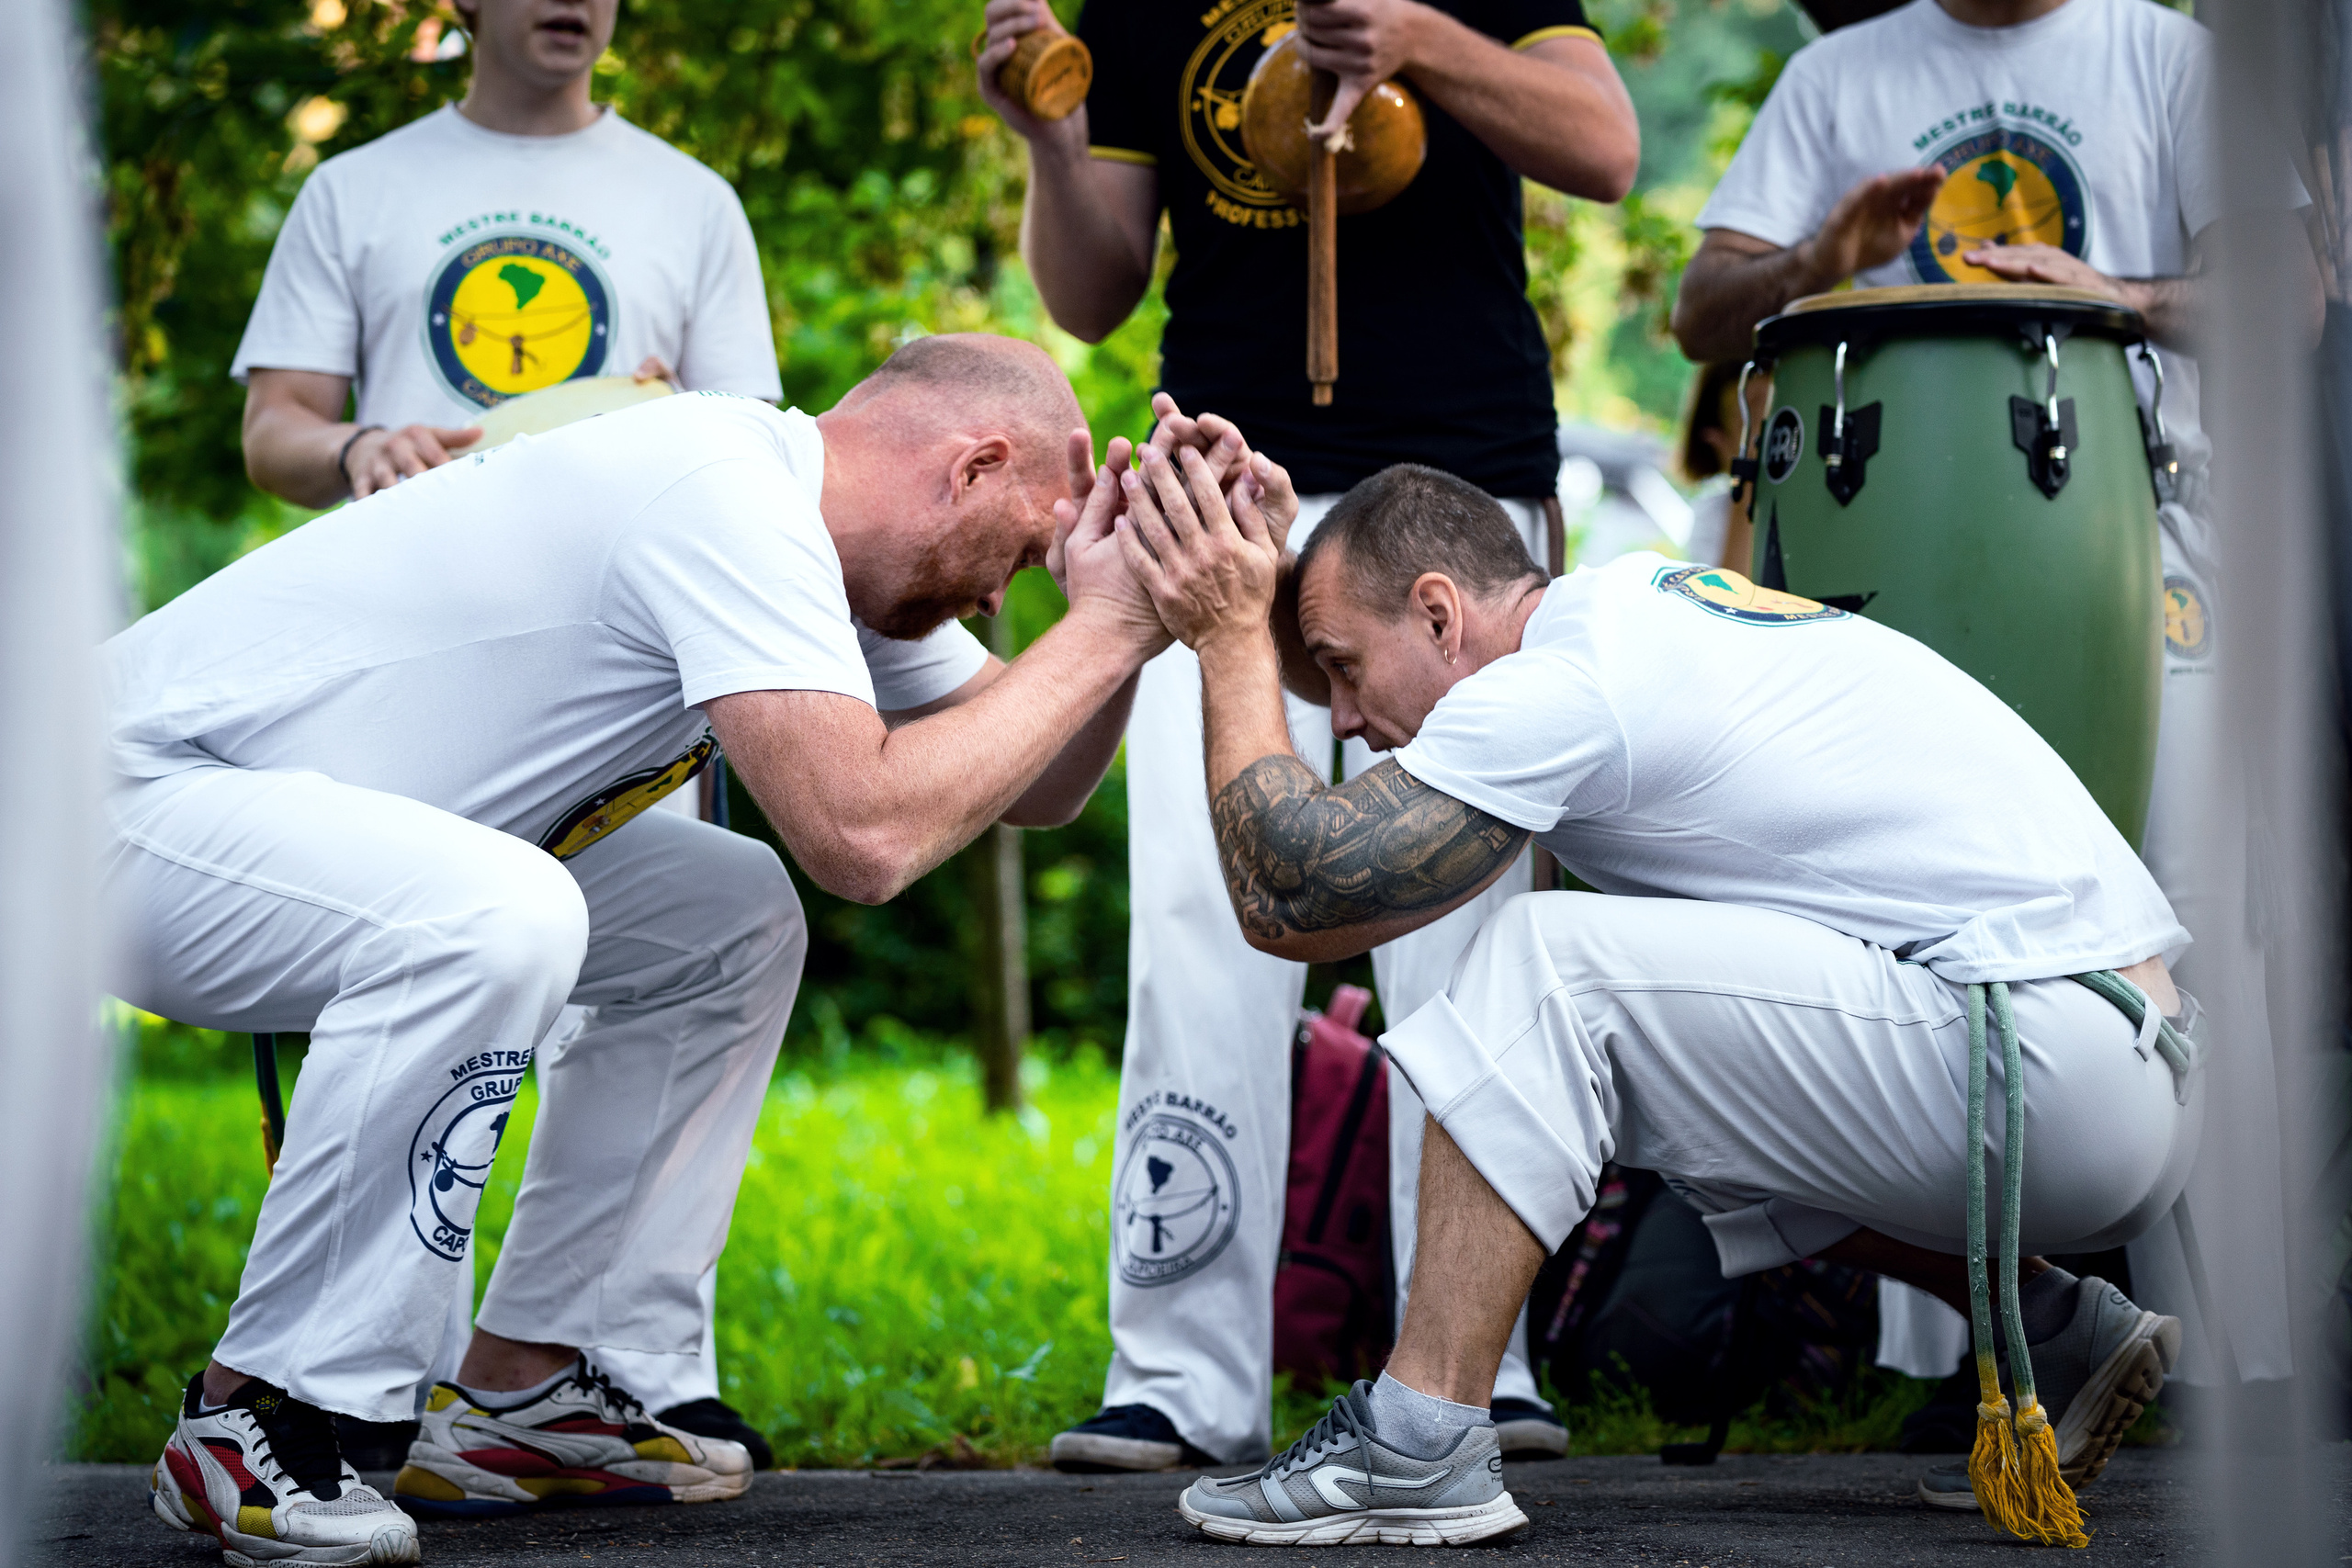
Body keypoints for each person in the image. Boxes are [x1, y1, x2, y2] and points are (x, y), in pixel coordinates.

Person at [121, 335, 1166, 1563]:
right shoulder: (723, 492)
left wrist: (1131, 613)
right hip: (125, 804)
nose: (1003, 597)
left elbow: (1034, 778)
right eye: (1020, 550)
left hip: (289, 825)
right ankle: (257, 1410)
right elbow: (863, 833)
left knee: (724, 914)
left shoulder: (822, 542)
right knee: (499, 907)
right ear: (971, 467)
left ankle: (523, 1384)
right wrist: (1105, 624)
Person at [1098, 440, 2195, 1548]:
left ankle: (1417, 1438)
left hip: (2051, 1065)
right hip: (2098, 1062)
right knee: (1646, 1071)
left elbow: (1291, 895)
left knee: (1545, 964)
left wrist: (1230, 633)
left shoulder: (1557, 686)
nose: (1336, 719)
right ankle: (2054, 1328)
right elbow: (1312, 832)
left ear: (1439, 617)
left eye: (1340, 668)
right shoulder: (1623, 618)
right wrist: (1258, 572)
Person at [1666, 0, 2321, 1498]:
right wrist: (1813, 258)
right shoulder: (1842, 76)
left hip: (2155, 540)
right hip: (1900, 564)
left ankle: (2246, 1362)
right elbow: (1705, 310)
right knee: (1911, 946)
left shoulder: (2166, 53)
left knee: (2197, 927)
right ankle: (1985, 1366)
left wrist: (2118, 295)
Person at [977, 0, 1640, 1470]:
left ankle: (1479, 1362)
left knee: (1465, 939)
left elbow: (1602, 148)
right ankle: (1177, 1370)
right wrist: (1046, 133)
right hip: (1218, 485)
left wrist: (1419, 38)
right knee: (1199, 922)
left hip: (1455, 505)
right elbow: (1093, 293)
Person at [230, 0, 783, 1459]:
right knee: (451, 978)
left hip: (629, 674)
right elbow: (274, 421)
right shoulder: (360, 187)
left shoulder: (690, 199)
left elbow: (759, 448)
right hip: (421, 674)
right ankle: (347, 1385)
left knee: (676, 974)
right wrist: (355, 447)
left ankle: (616, 1361)